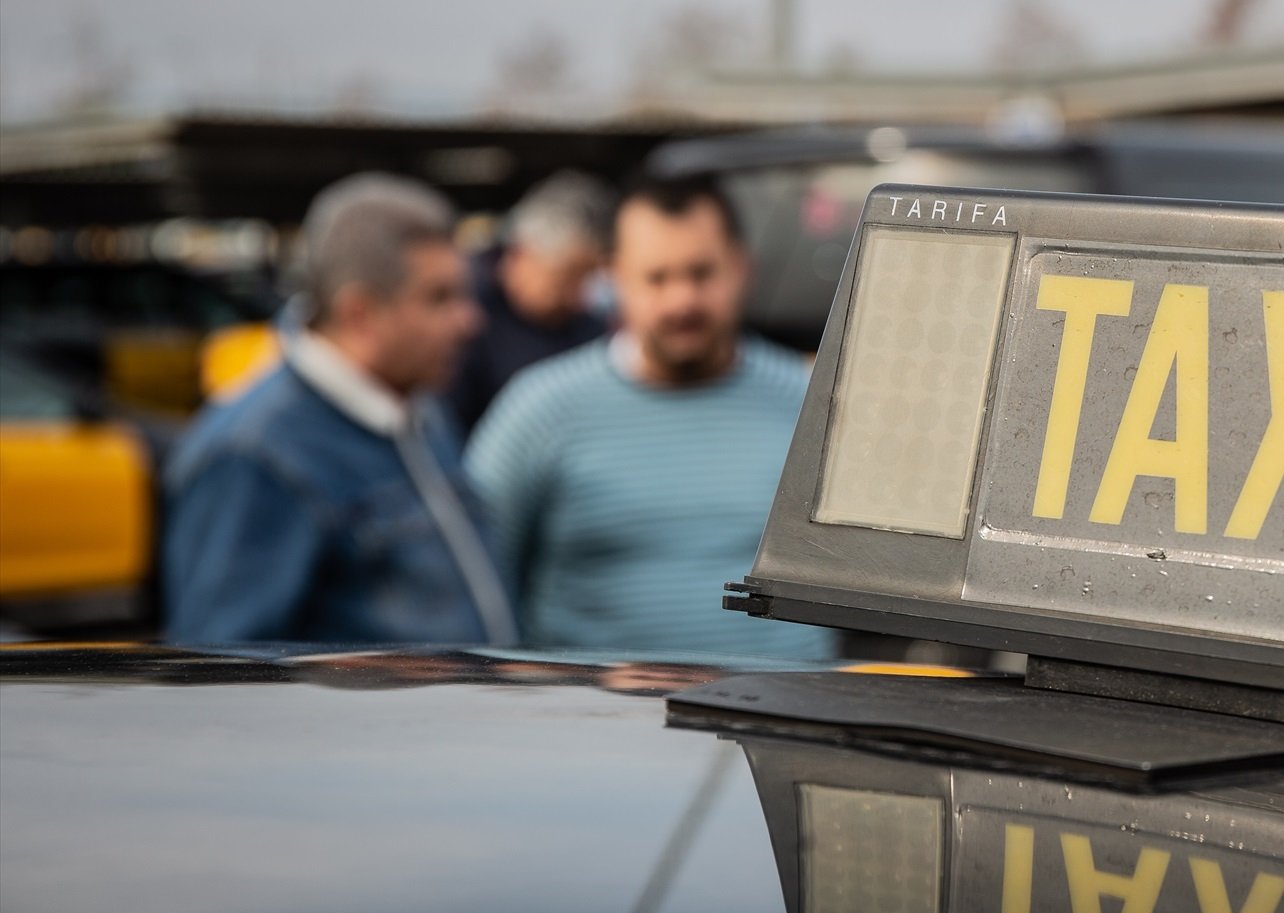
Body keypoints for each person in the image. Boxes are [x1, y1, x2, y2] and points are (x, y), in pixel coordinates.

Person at [467, 173, 830, 659]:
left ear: (743, 268)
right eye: (657, 278)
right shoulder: (540, 409)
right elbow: (472, 580)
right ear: (614, 279)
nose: (682, 300)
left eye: (702, 274)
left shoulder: (810, 404)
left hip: (784, 713)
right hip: (596, 722)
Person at [163, 174, 517, 646]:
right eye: (439, 298)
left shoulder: (416, 410)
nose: (469, 320)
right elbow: (226, 681)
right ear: (359, 314)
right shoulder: (254, 457)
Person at [443, 170, 613, 439]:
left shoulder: (590, 325)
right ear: (523, 254)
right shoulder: (464, 313)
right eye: (569, 277)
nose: (580, 297)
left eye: (590, 279)